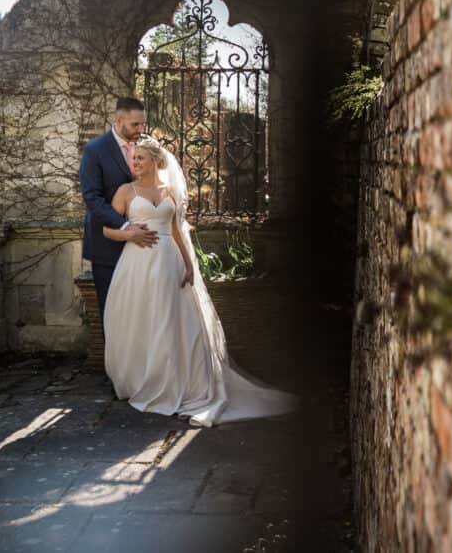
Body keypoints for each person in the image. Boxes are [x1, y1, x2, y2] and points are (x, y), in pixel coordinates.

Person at [101, 136, 297, 427]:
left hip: (169, 261)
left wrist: (189, 264)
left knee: (172, 320)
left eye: (141, 157)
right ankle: (143, 379)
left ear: (155, 160)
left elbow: (177, 230)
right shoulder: (125, 192)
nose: (135, 162)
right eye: (134, 158)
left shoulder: (170, 191)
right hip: (138, 263)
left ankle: (180, 380)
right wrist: (129, 234)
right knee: (142, 317)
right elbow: (107, 230)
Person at [78, 97, 159, 321]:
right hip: (107, 247)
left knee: (144, 316)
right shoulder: (95, 150)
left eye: (143, 124)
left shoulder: (146, 146)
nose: (141, 129)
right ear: (119, 119)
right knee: (113, 315)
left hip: (146, 250)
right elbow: (92, 198)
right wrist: (125, 226)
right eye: (135, 125)